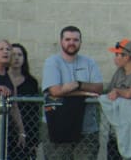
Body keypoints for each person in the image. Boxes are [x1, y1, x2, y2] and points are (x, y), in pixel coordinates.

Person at [42, 26, 104, 160]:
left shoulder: (89, 63)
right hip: (57, 125)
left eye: (75, 39)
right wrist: (84, 93)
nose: (71, 43)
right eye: (68, 39)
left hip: (86, 127)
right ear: (61, 41)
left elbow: (98, 88)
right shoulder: (52, 62)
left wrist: (78, 84)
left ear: (81, 42)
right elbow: (55, 91)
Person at [100, 39, 131, 160]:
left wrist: (118, 91)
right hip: (115, 126)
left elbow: (129, 94)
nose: (115, 58)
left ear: (127, 57)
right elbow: (109, 94)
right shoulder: (119, 72)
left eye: (118, 55)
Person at [8, 43, 40, 160]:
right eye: (13, 55)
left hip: (26, 129)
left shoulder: (31, 82)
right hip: (6, 128)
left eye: (20, 55)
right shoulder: (2, 79)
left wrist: (33, 141)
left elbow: (34, 112)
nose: (16, 58)